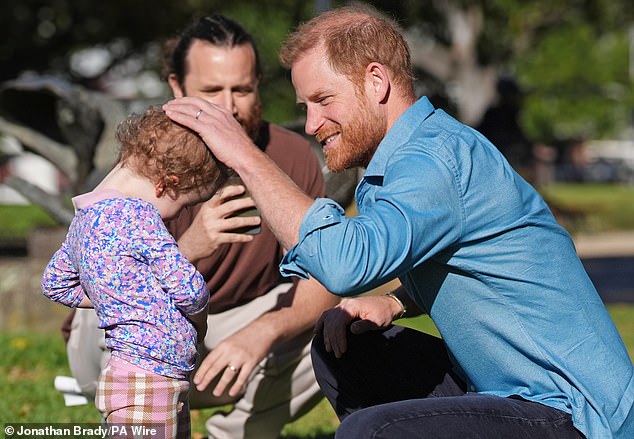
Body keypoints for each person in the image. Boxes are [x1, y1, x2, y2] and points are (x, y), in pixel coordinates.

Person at [163, 5, 634, 439]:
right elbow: (469, 258)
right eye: (306, 106)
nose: (310, 124)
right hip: (505, 390)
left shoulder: (433, 160)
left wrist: (244, 154)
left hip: (575, 414)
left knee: (372, 433)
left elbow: (347, 265)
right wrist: (397, 301)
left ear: (375, 81)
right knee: (344, 344)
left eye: (323, 99)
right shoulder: (415, 154)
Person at [63, 15, 338, 439]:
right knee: (107, 295)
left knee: (331, 321)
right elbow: (88, 273)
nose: (228, 106)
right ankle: (134, 419)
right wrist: (188, 247)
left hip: (227, 333)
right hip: (121, 343)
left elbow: (328, 272)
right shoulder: (144, 155)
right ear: (177, 87)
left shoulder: (293, 156)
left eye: (242, 89)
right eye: (212, 90)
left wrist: (261, 332)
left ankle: (234, 434)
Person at [42, 106, 228, 438]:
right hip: (149, 380)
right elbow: (190, 290)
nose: (175, 217)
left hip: (131, 375)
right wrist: (200, 321)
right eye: (185, 205)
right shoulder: (139, 216)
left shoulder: (83, 220)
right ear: (166, 184)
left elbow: (55, 284)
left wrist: (118, 300)